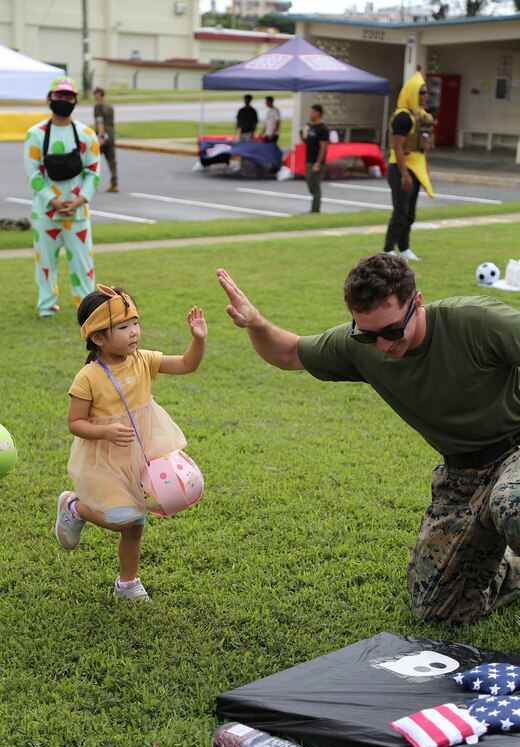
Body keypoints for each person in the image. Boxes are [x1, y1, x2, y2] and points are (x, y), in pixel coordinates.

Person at [217, 256, 520, 625]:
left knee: (512, 503)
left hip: (515, 447)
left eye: (392, 332)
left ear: (417, 303)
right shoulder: (361, 345)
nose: (382, 346)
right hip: (463, 476)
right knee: (437, 610)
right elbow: (288, 353)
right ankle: (510, 567)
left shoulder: (478, 321)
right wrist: (257, 324)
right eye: (367, 334)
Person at [55, 284, 207, 602]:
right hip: (105, 457)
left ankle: (127, 584)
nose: (134, 332)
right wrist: (107, 431)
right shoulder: (88, 377)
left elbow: (186, 365)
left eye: (135, 323)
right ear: (98, 338)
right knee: (119, 518)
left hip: (140, 450)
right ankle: (75, 506)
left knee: (136, 523)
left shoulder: (142, 360)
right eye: (123, 327)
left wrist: (198, 340)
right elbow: (75, 423)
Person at [23, 76, 100, 318]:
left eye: (69, 96)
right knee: (45, 263)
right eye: (59, 95)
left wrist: (79, 200)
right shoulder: (35, 134)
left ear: (76, 101)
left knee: (83, 265)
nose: (64, 100)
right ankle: (47, 306)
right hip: (45, 213)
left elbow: (93, 172)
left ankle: (87, 309)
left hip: (77, 213)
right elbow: (33, 171)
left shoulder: (87, 135)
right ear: (49, 98)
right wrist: (52, 201)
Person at [384, 68, 434, 262]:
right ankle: (388, 249)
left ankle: (404, 247)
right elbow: (397, 147)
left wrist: (426, 170)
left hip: (417, 169)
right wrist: (404, 174)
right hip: (401, 169)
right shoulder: (402, 117)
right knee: (400, 211)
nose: (425, 96)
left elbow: (423, 148)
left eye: (426, 92)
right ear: (413, 93)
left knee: (410, 213)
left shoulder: (421, 116)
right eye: (422, 92)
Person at [301, 104, 329, 213]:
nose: (310, 114)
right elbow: (307, 142)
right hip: (309, 159)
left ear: (318, 113)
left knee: (315, 185)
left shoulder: (323, 129)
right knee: (309, 182)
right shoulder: (311, 127)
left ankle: (315, 209)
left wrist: (318, 163)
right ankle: (314, 207)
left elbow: (323, 147)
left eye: (312, 112)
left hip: (316, 161)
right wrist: (302, 133)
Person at [93, 86, 118, 192]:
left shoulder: (98, 106)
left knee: (93, 160)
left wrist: (101, 136)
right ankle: (114, 184)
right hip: (111, 136)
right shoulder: (110, 106)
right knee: (112, 161)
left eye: (95, 94)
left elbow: (100, 121)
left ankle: (92, 183)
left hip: (102, 136)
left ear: (99, 94)